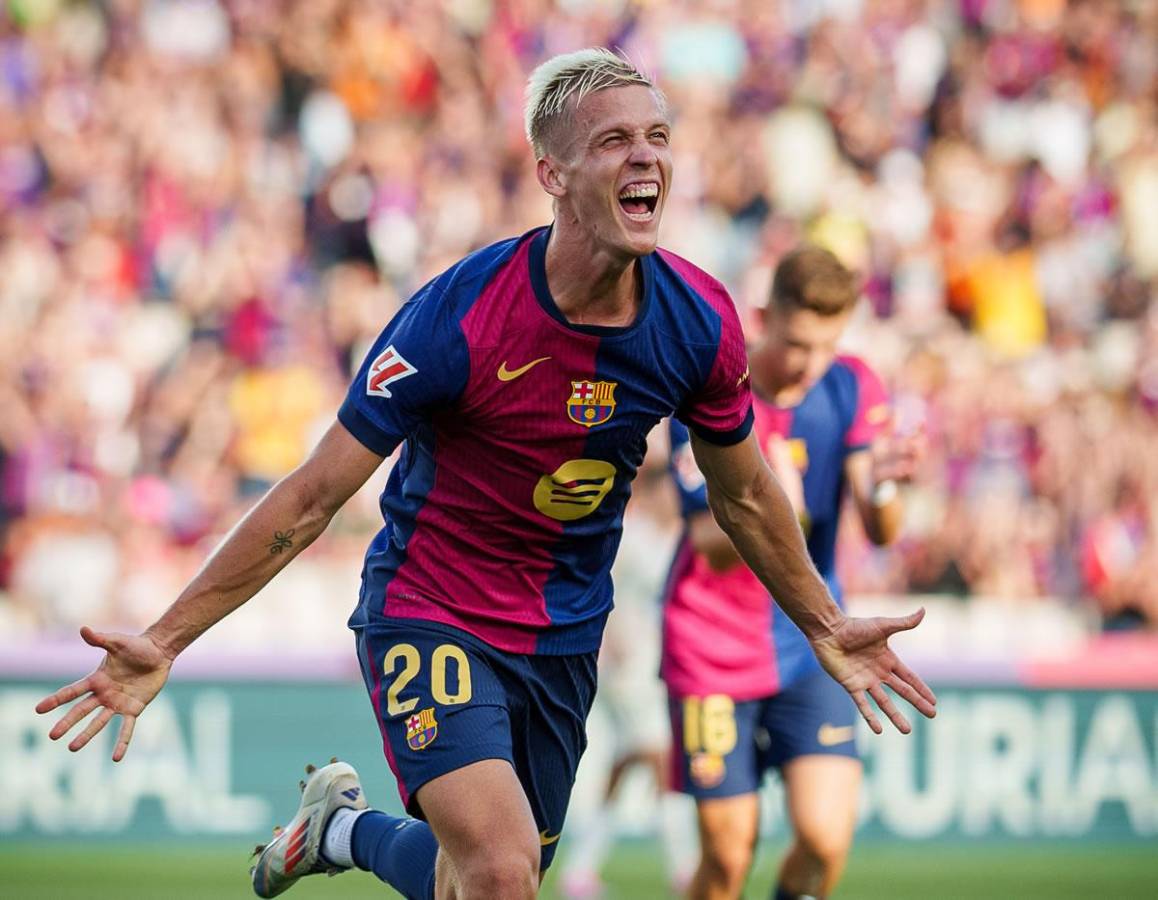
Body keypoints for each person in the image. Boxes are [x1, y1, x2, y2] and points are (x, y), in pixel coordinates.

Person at [34, 50, 935, 900]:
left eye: (658, 137)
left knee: (479, 879)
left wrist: (824, 620)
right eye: (614, 141)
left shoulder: (698, 321)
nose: (646, 158)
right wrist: (169, 635)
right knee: (501, 874)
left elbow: (740, 492)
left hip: (562, 635)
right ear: (552, 174)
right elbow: (312, 497)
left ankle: (339, 832)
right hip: (433, 607)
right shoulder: (456, 320)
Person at [661, 244, 926, 900]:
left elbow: (877, 526)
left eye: (827, 345)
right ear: (764, 316)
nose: (810, 364)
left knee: (824, 838)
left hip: (815, 644)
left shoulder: (853, 384)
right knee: (727, 856)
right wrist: (776, 503)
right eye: (798, 343)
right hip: (712, 647)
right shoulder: (710, 389)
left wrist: (889, 489)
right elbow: (708, 540)